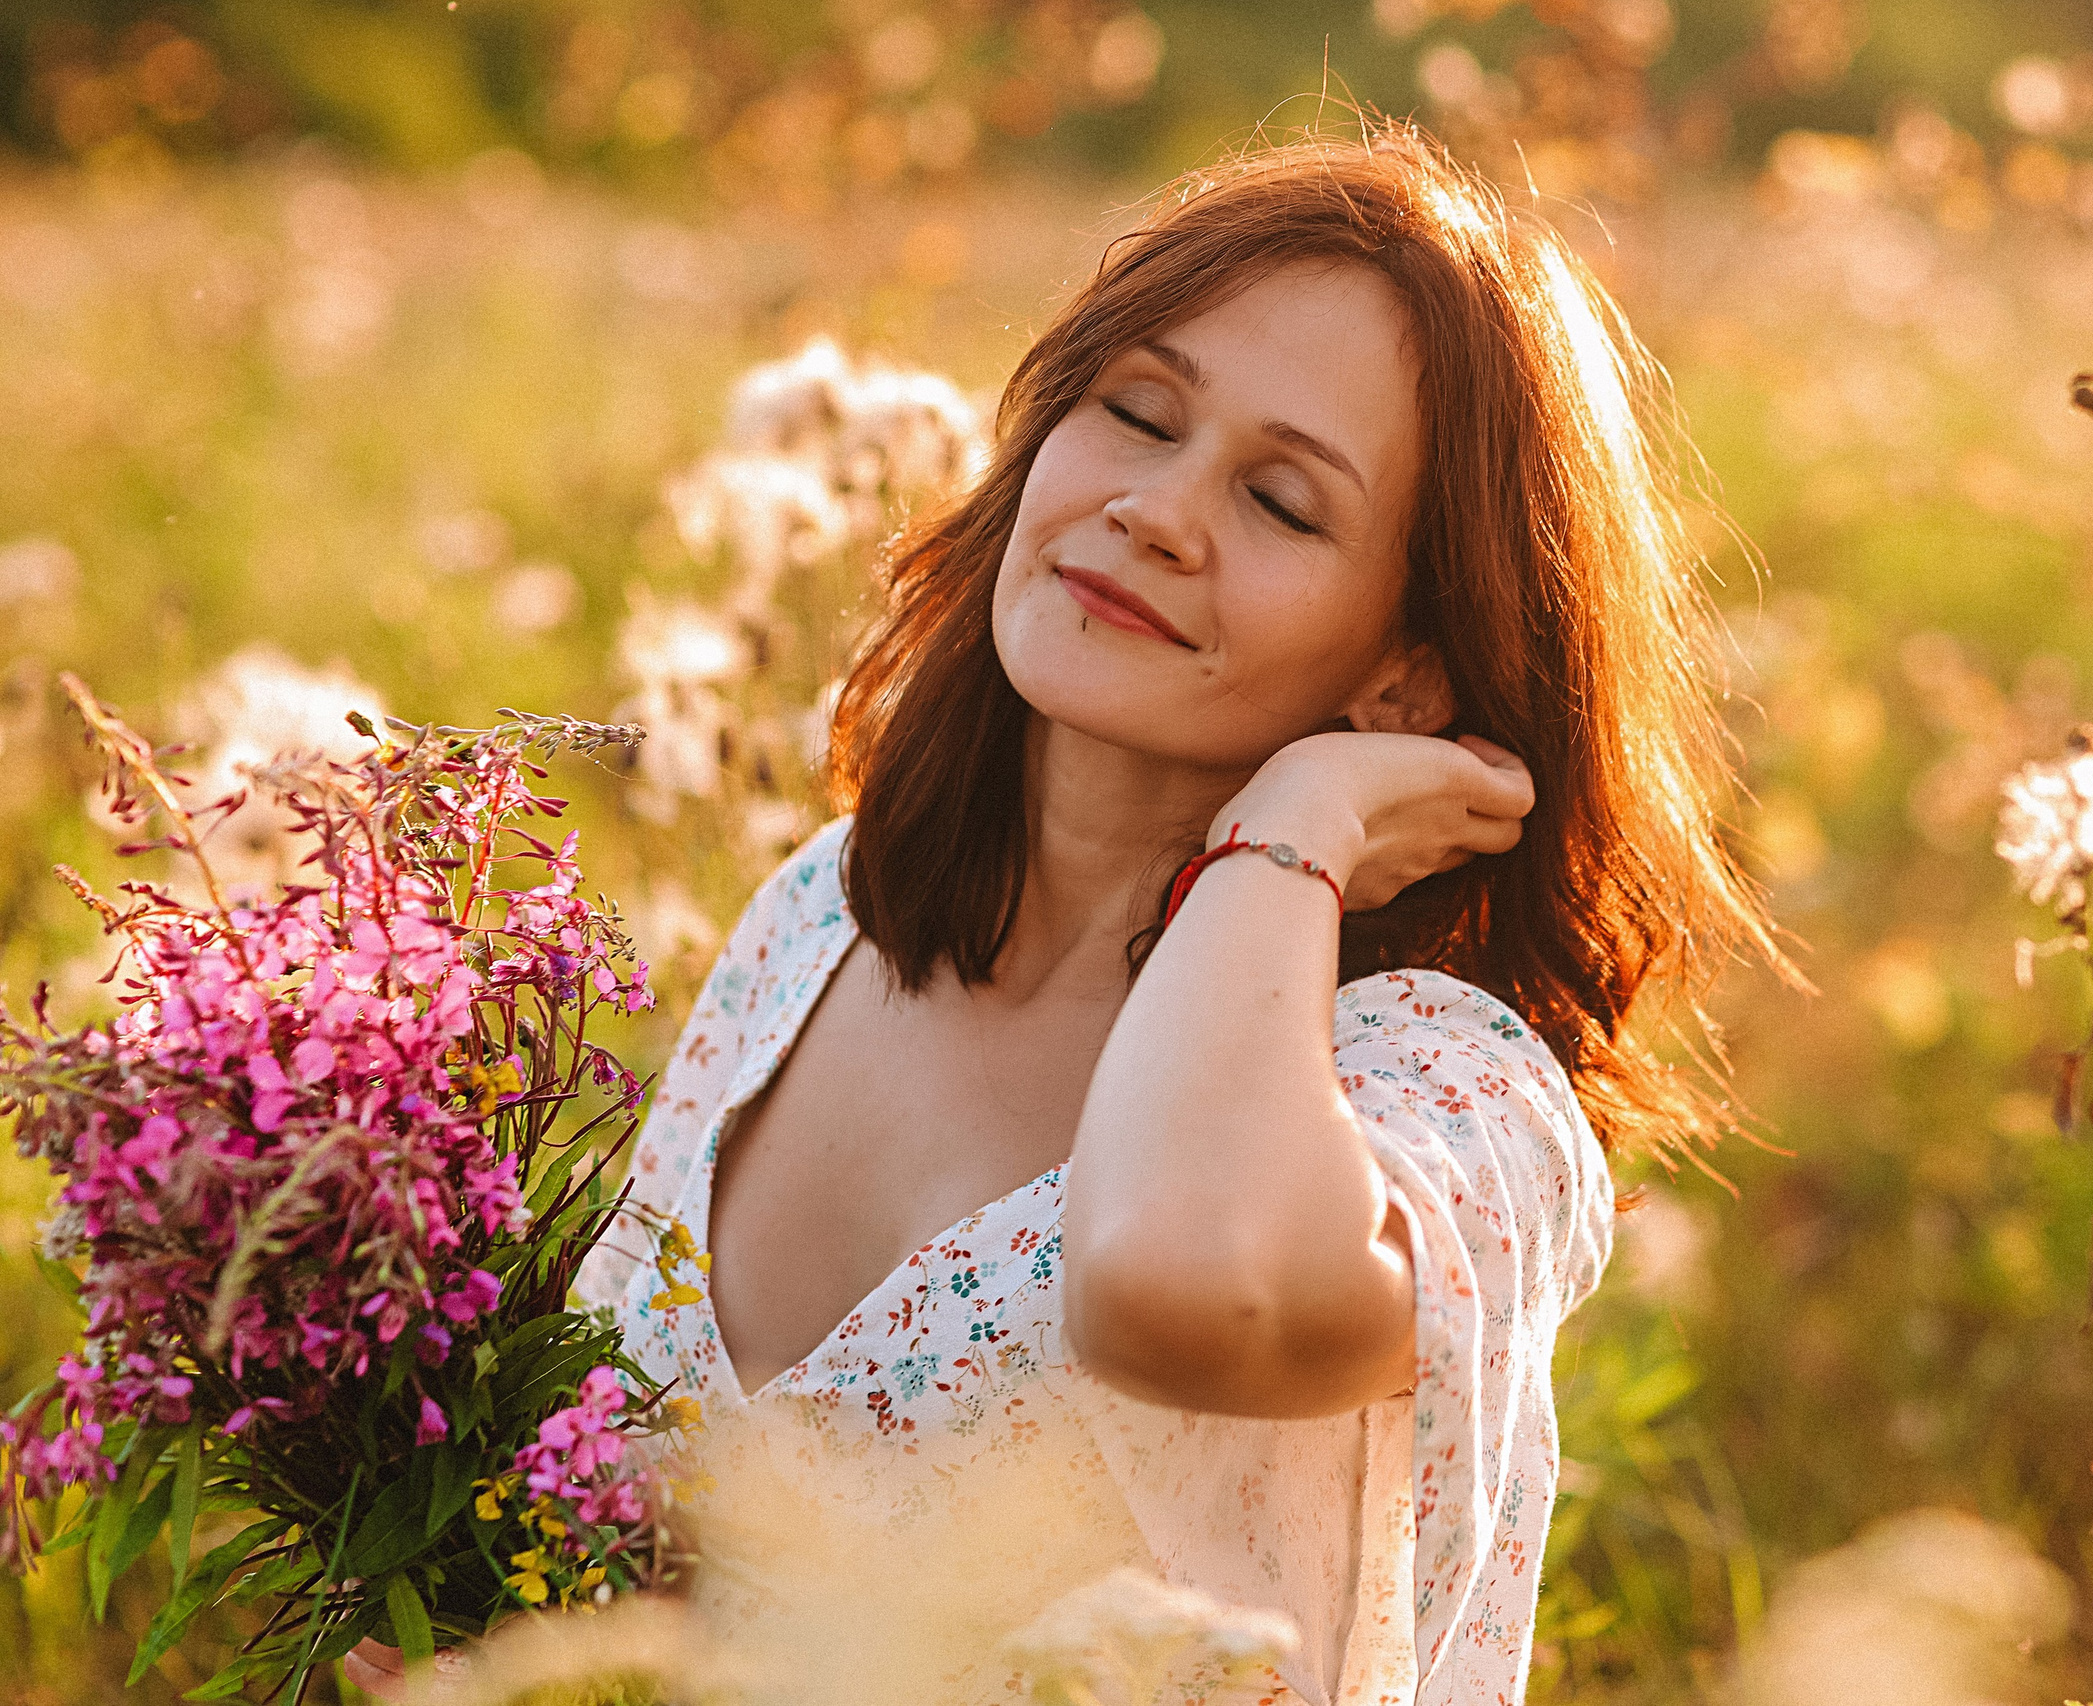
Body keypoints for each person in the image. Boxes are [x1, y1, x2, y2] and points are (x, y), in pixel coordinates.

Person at [352, 119, 1776, 1706]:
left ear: (1410, 672)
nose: (1158, 511)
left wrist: (1292, 826)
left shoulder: (1437, 1098)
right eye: (1137, 413)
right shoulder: (818, 922)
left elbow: (1179, 1286)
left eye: (1285, 505)